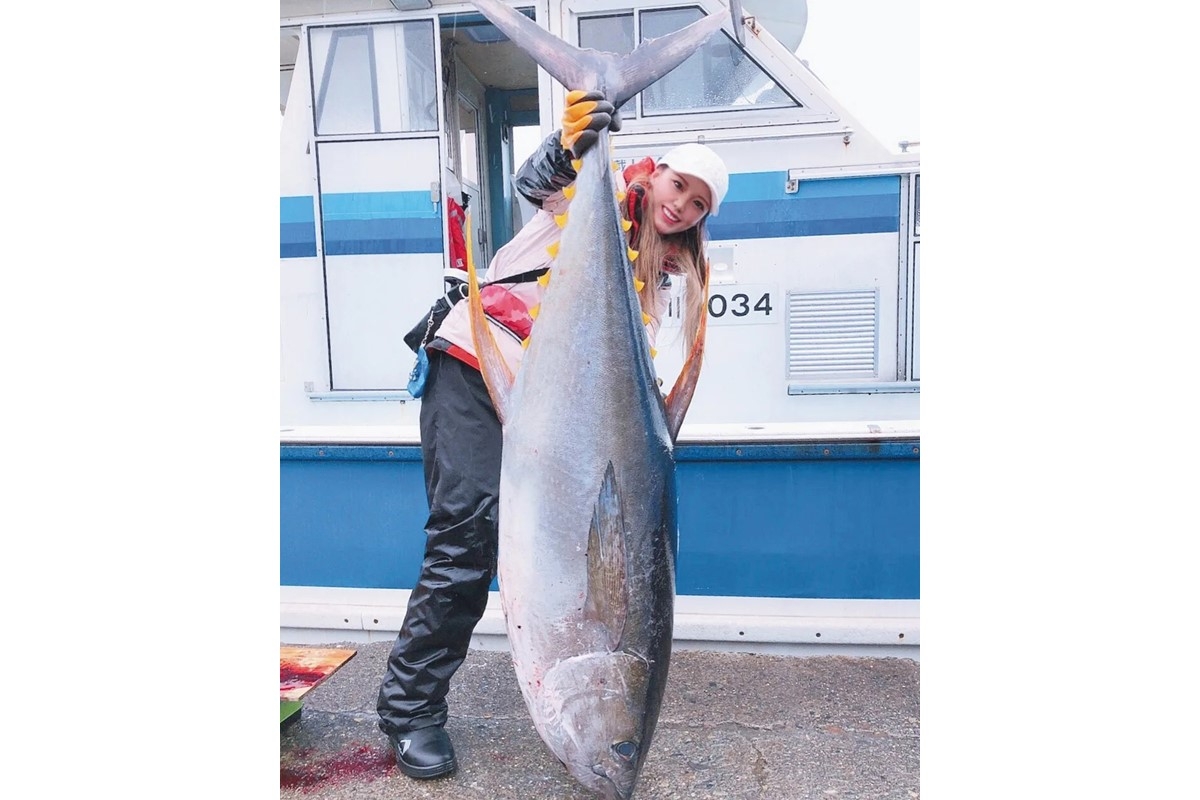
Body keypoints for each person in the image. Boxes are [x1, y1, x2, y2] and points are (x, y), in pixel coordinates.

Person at [375, 89, 730, 780]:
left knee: (513, 550)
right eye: (679, 186)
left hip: (547, 425)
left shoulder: (656, 287)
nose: (681, 206)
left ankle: (419, 700)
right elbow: (535, 181)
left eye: (697, 205)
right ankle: (409, 710)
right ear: (654, 174)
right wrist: (575, 142)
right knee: (465, 537)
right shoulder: (583, 205)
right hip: (480, 371)